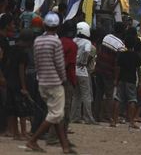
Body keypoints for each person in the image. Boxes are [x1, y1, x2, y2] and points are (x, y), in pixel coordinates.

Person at [25, 12, 75, 154]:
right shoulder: (56, 42)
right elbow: (59, 64)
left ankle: (65, 146)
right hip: (54, 82)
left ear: (44, 25)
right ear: (58, 27)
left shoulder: (38, 41)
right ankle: (33, 140)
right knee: (56, 114)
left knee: (55, 113)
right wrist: (63, 80)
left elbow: (36, 61)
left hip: (41, 81)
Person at [4, 29, 33, 140]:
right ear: (29, 41)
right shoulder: (23, 52)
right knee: (22, 109)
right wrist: (24, 87)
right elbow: (21, 70)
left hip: (10, 81)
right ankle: (23, 132)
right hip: (18, 83)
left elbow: (7, 64)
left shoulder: (12, 48)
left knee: (13, 109)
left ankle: (15, 132)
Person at [113, 36, 141, 128]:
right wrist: (140, 82)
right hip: (131, 80)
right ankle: (131, 122)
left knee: (118, 99)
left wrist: (116, 79)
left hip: (122, 79)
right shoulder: (136, 55)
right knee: (132, 100)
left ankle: (114, 121)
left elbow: (118, 68)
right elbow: (138, 70)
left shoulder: (121, 55)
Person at [71, 22, 97, 125]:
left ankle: (74, 117)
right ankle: (88, 118)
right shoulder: (87, 42)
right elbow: (87, 51)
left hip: (73, 70)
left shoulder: (73, 40)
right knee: (86, 95)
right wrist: (83, 61)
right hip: (82, 71)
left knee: (76, 95)